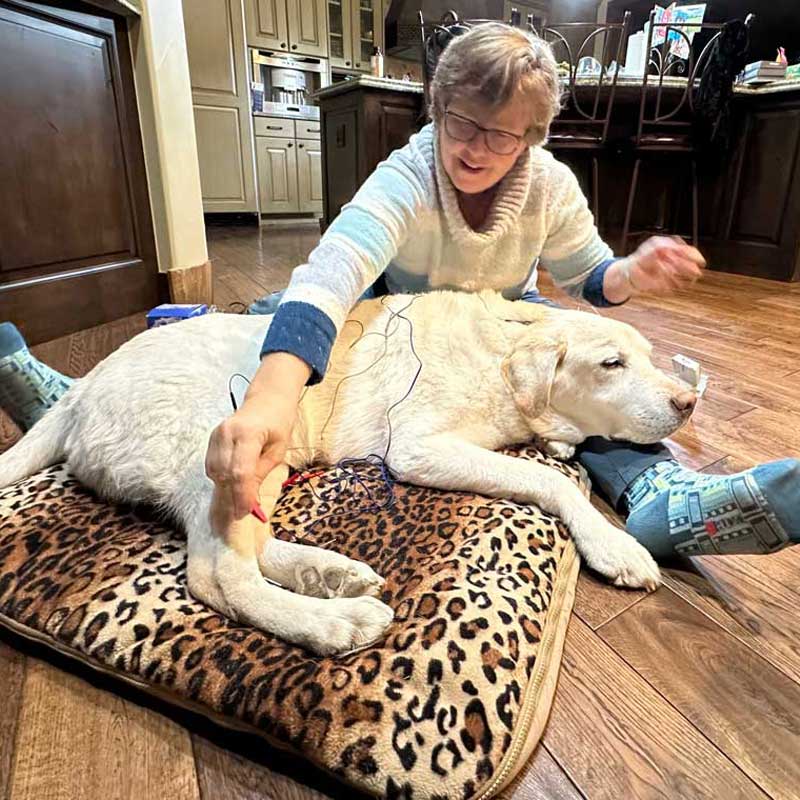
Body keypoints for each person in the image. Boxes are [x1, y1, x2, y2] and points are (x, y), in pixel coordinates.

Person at [5, 24, 796, 559]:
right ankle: (77, 399)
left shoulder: (551, 184)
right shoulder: (407, 175)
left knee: (585, 388)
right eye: (461, 124)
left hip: (500, 320)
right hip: (395, 317)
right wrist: (272, 400)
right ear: (437, 109)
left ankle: (662, 496)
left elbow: (591, 275)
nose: (476, 148)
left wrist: (631, 272)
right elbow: (331, 275)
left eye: (501, 135)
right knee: (267, 326)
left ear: (533, 136)